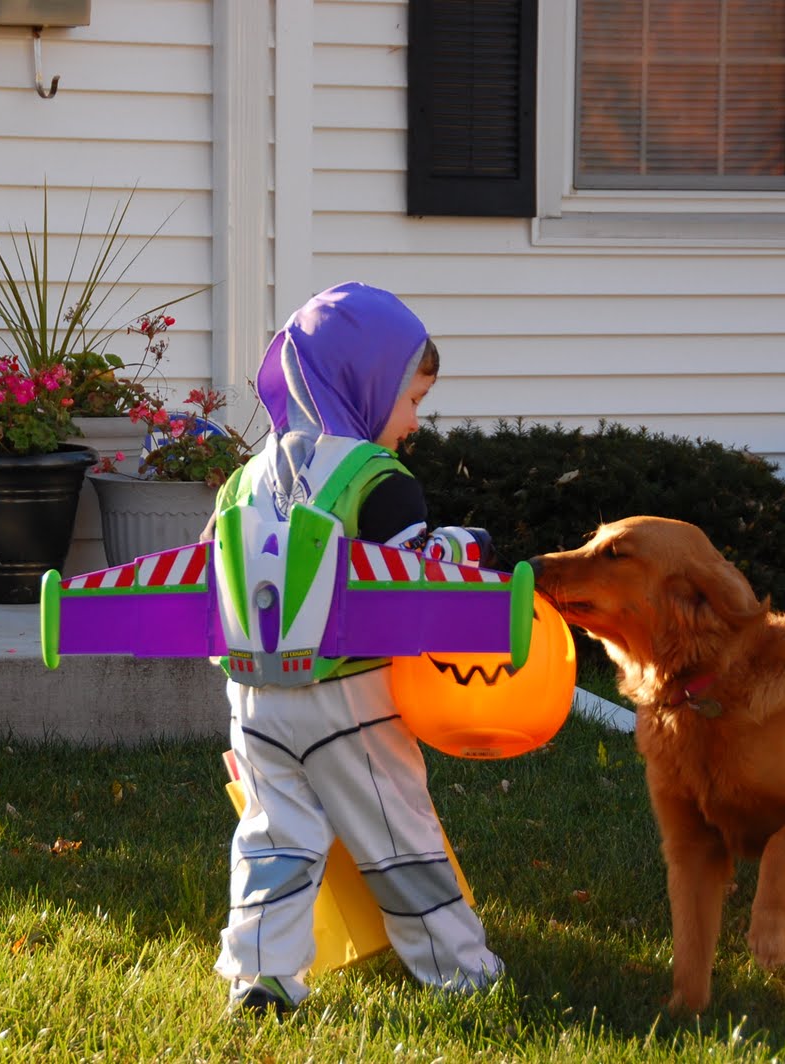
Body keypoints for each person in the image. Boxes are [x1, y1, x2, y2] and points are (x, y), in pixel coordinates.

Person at [212, 281, 505, 1014]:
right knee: (398, 835)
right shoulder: (377, 480)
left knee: (273, 839)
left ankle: (262, 976)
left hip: (254, 697)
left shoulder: (242, 481)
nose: (412, 423)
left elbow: (216, 579)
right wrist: (474, 549)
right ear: (365, 383)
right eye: (411, 400)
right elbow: (415, 576)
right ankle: (459, 972)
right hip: (351, 697)